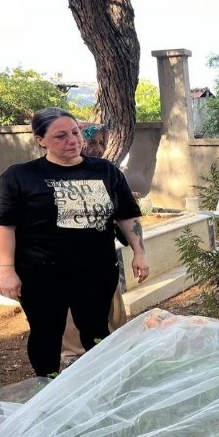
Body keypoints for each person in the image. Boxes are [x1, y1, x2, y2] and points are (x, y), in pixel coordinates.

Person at [0, 107, 149, 377]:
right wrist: (6, 270)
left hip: (96, 271)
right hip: (41, 275)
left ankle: (96, 382)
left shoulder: (105, 171)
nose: (72, 141)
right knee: (46, 333)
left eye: (75, 133)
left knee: (97, 330)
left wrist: (139, 253)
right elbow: (4, 225)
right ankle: (47, 384)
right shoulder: (20, 177)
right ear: (40, 140)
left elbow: (127, 215)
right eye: (60, 136)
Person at [60, 122, 128, 367]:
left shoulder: (102, 172)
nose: (98, 148)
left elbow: (117, 216)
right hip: (69, 268)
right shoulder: (59, 177)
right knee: (75, 326)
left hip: (102, 260)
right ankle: (75, 362)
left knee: (111, 315)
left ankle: (109, 358)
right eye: (93, 141)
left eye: (101, 142)